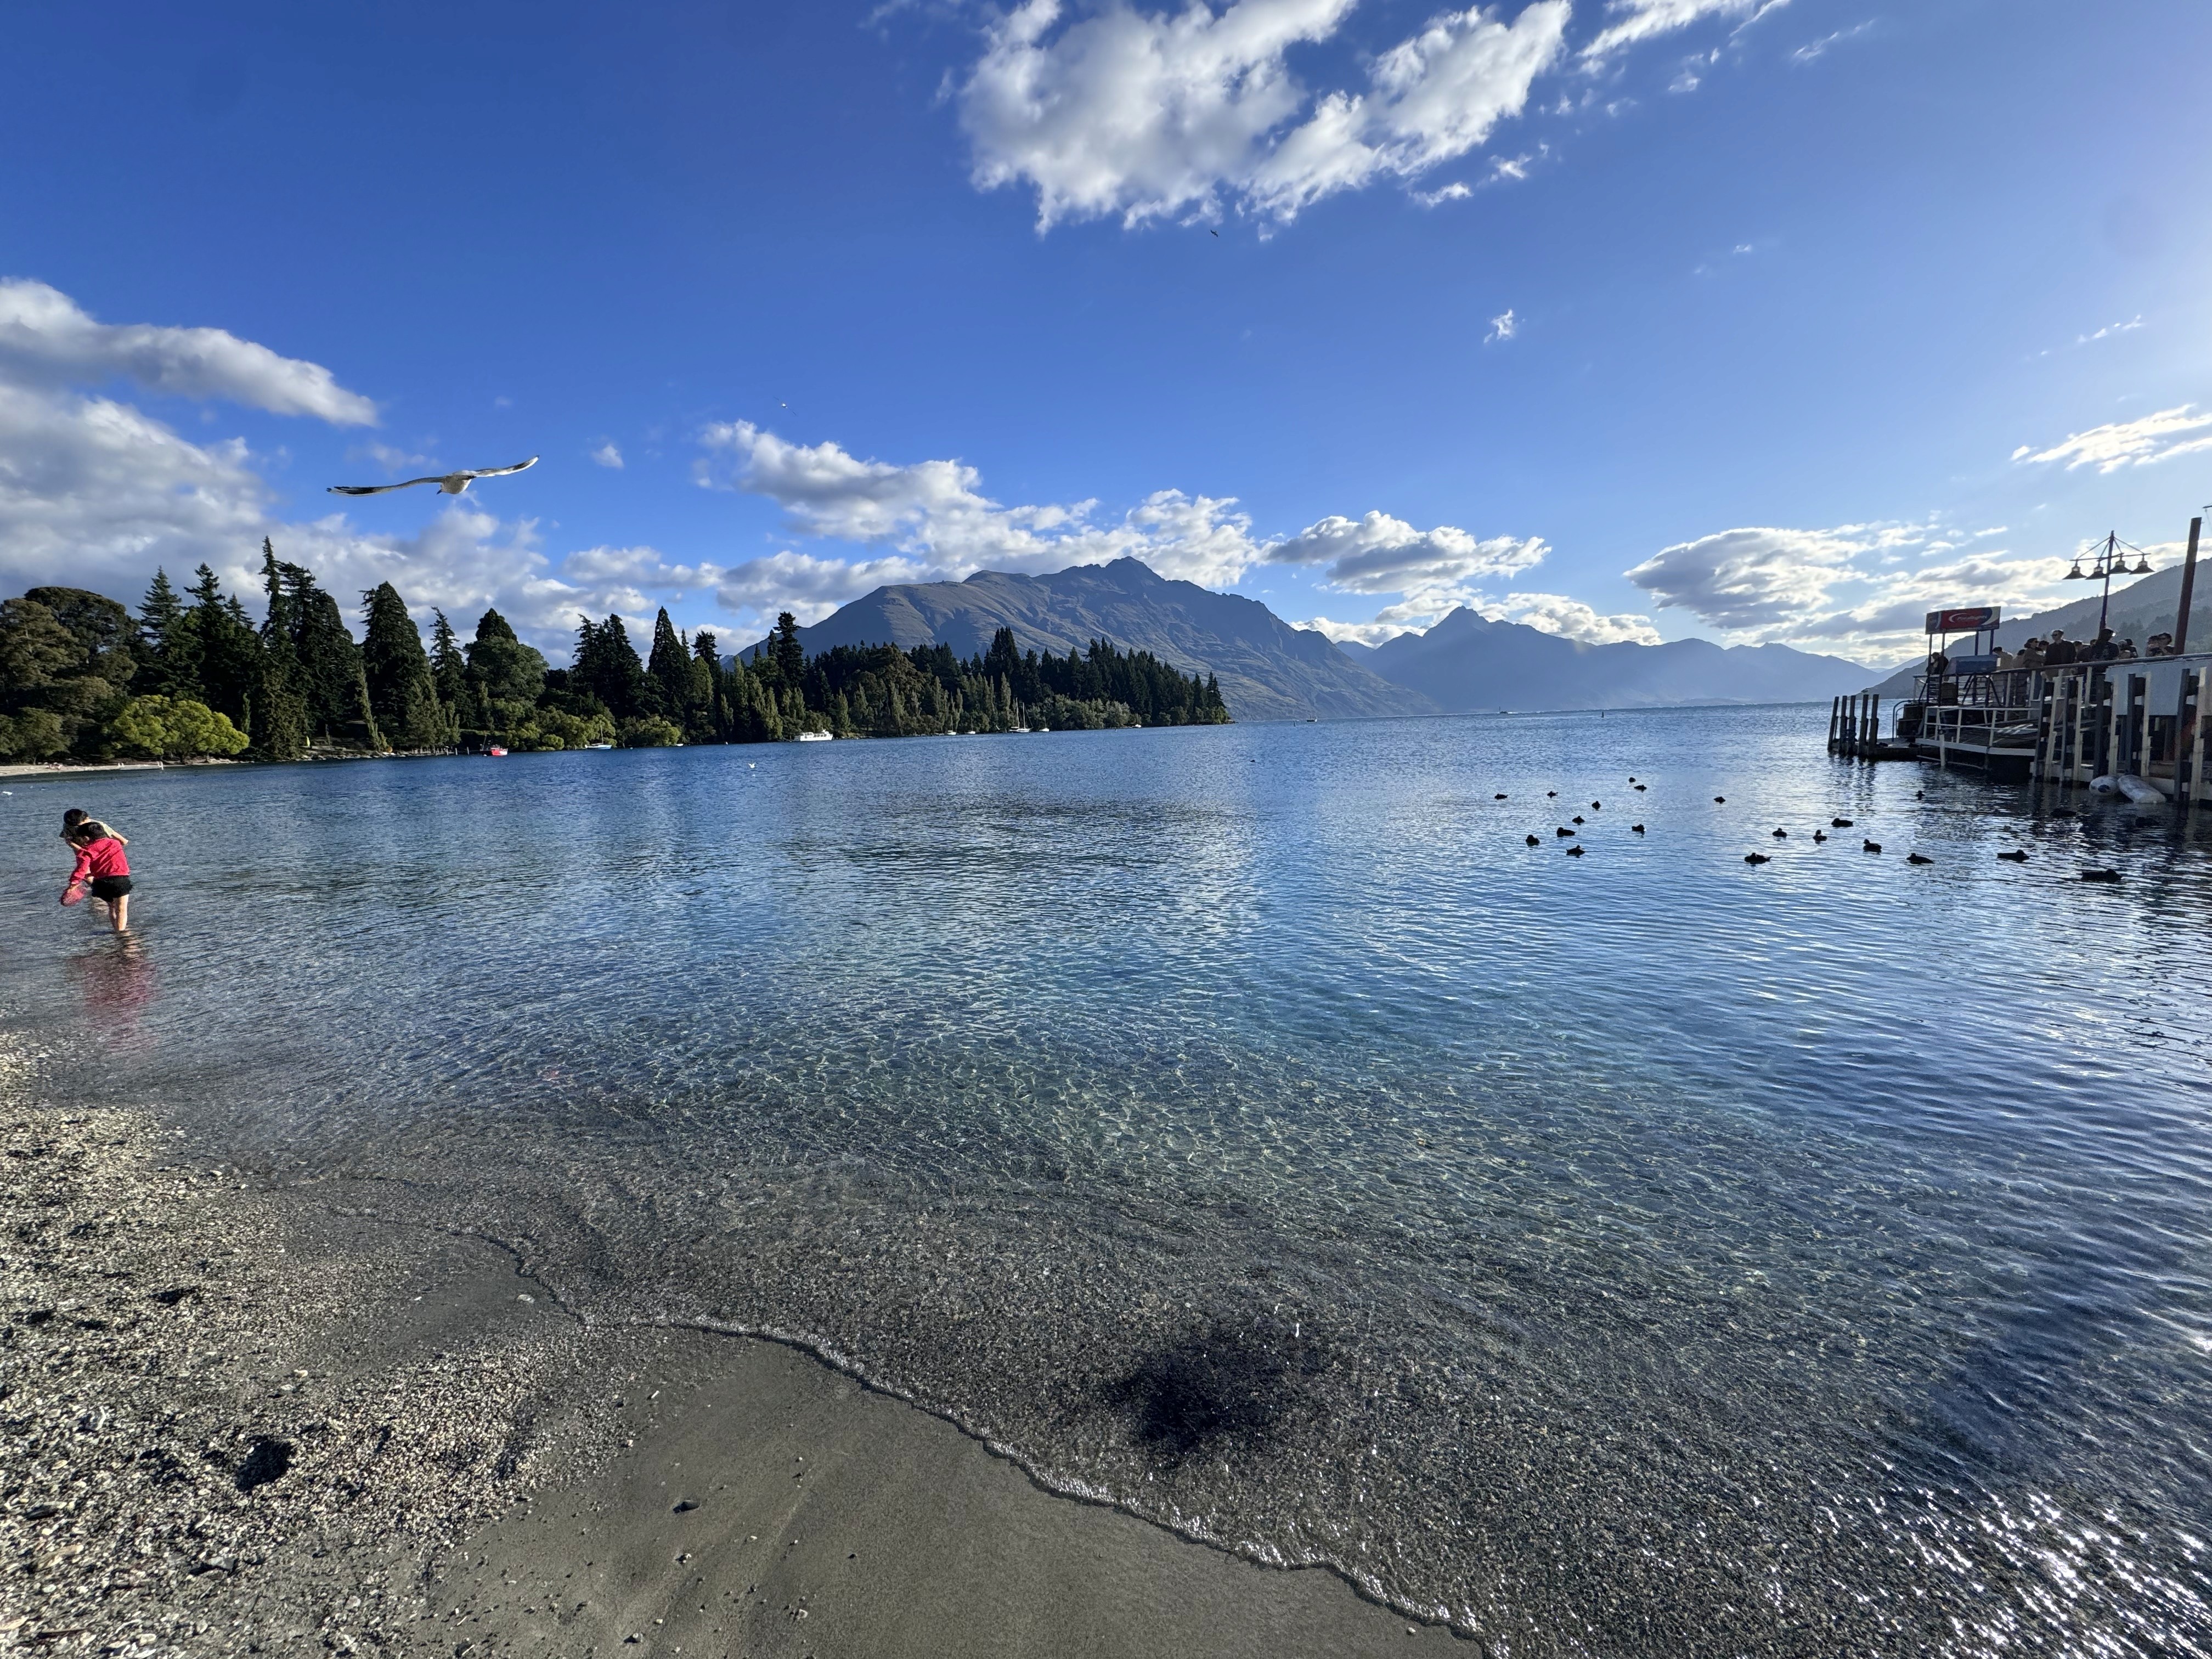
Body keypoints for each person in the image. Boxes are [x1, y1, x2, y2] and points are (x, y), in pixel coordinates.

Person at [62, 821, 132, 933]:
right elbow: (120, 842)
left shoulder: (87, 851)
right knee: (122, 909)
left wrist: (73, 884)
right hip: (120, 879)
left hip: (101, 883)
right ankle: (121, 936)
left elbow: (82, 868)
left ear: (86, 838)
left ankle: (117, 932)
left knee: (112, 907)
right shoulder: (116, 844)